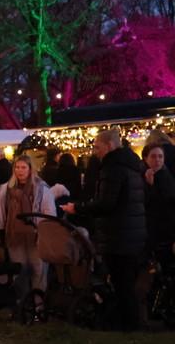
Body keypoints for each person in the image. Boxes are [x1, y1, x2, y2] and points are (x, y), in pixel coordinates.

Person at [62, 130, 146, 331]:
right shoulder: (131, 166)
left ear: (109, 145)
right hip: (131, 233)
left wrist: (78, 208)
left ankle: (129, 326)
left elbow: (106, 203)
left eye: (97, 147)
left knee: (121, 283)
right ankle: (129, 324)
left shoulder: (113, 168)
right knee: (125, 282)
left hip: (119, 234)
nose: (95, 151)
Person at [0, 156, 57, 316]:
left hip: (36, 237)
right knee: (20, 271)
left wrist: (43, 229)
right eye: (17, 167)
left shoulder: (41, 189)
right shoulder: (5, 189)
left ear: (30, 169)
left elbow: (49, 213)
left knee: (38, 270)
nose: (20, 171)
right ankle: (23, 304)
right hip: (14, 236)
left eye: (23, 167)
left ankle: (39, 306)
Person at [142, 144, 175, 266]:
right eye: (153, 156)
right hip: (151, 230)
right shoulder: (141, 176)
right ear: (146, 158)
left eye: (160, 157)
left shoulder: (167, 177)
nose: (157, 160)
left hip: (166, 230)